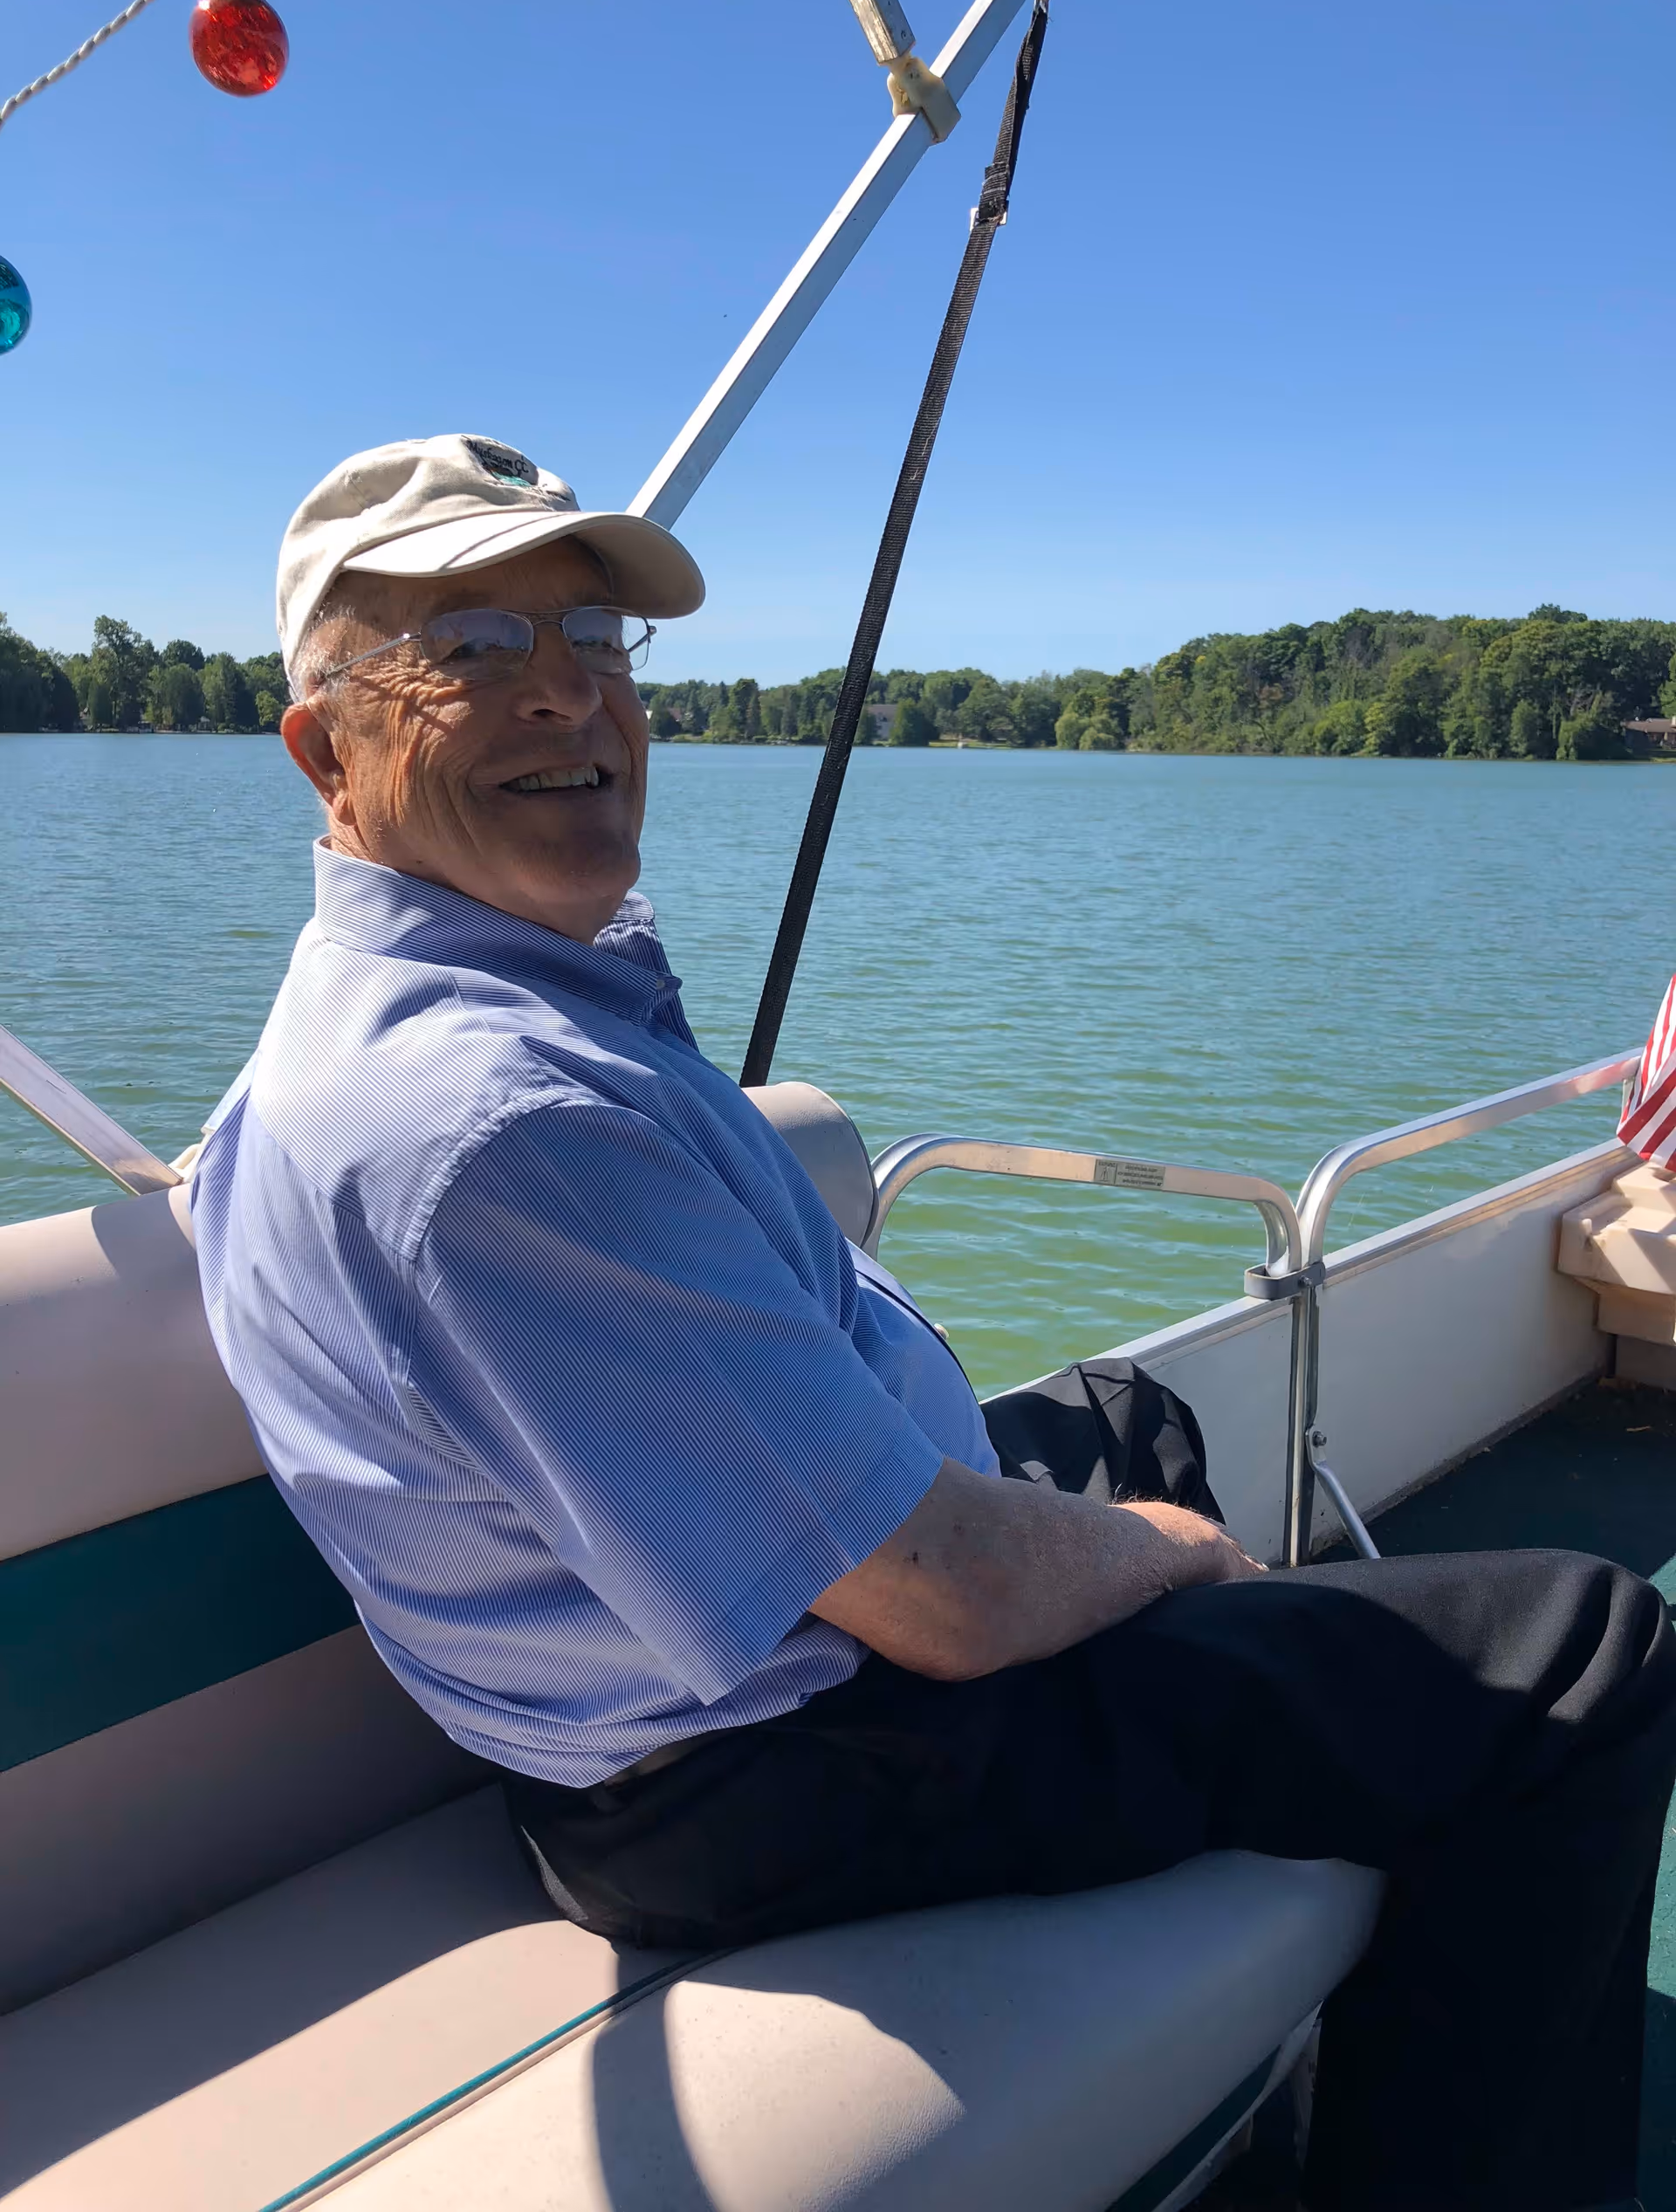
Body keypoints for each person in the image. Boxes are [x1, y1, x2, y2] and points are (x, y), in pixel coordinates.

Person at [193, 434, 1676, 2212]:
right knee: (1589, 1654)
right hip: (769, 1769)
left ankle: (1332, 1876)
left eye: (590, 633)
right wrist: (1160, 1561)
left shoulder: (397, 1016)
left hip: (730, 1660)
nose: (572, 691)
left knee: (1142, 1414)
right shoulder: (491, 1119)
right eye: (479, 650)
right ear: (326, 750)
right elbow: (946, 1598)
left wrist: (1131, 1529)